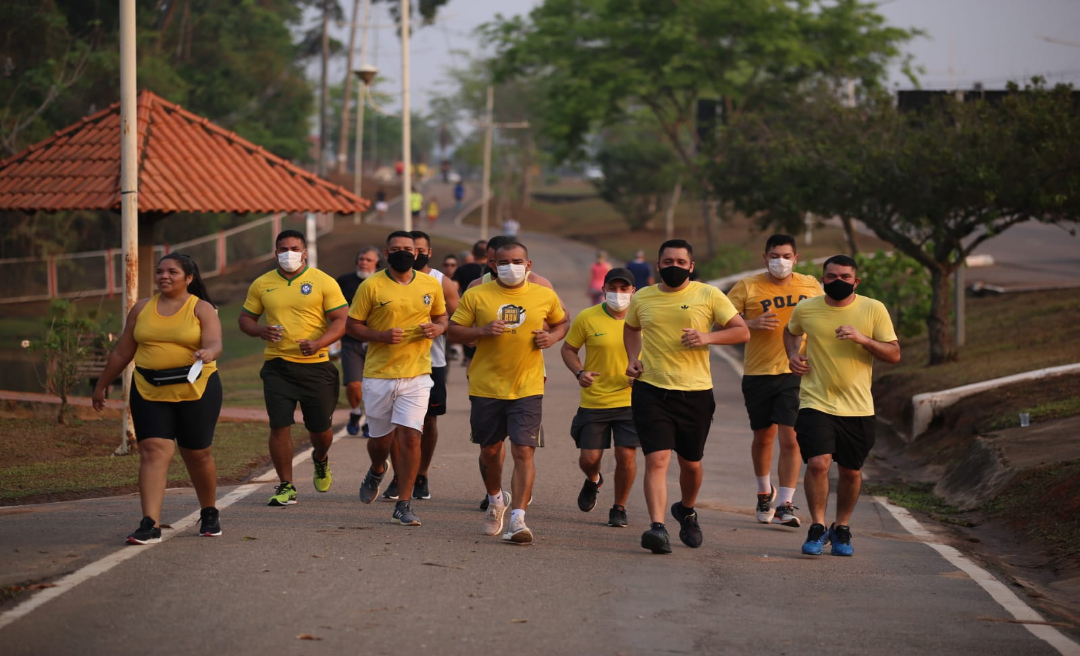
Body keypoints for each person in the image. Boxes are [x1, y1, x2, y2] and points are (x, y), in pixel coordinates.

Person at [624, 239, 750, 554]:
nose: (674, 267)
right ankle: (658, 528)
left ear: (691, 266)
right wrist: (632, 356)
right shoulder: (643, 297)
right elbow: (630, 328)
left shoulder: (708, 295)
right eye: (668, 261)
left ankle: (686, 510)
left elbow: (741, 331)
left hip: (695, 393)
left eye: (681, 262)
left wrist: (707, 336)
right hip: (651, 389)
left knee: (690, 464)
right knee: (657, 459)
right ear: (658, 265)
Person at [92, 253, 223, 544]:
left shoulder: (201, 308)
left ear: (189, 278)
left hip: (196, 389)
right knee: (152, 450)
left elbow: (215, 342)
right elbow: (122, 352)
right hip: (149, 388)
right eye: (161, 271)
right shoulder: (141, 309)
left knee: (197, 453)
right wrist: (102, 384)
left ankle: (210, 511)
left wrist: (208, 352)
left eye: (172, 272)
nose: (164, 276)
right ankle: (150, 522)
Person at [448, 240, 569, 544]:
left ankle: (518, 519)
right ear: (493, 265)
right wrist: (481, 331)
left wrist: (551, 337)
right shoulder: (476, 294)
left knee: (523, 450)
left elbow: (562, 321)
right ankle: (495, 500)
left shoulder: (544, 294)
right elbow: (453, 331)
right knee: (489, 451)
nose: (511, 267)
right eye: (504, 262)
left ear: (528, 265)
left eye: (518, 261)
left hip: (527, 385)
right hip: (486, 385)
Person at [784, 255, 900, 557]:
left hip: (858, 406)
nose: (838, 282)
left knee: (850, 472)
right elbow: (791, 330)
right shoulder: (807, 308)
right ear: (823, 279)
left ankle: (842, 527)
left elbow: (894, 354)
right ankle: (818, 526)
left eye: (845, 277)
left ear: (856, 281)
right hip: (816, 401)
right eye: (832, 276)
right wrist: (792, 355)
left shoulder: (873, 309)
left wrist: (863, 339)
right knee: (819, 463)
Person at [239, 230, 348, 507]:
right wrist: (260, 330)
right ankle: (286, 485)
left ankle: (321, 459)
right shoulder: (262, 283)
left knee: (321, 430)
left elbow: (341, 320)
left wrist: (319, 343)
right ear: (275, 253)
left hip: (317, 368)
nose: (289, 253)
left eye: (295, 248)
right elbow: (245, 319)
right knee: (279, 426)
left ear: (305, 252)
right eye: (283, 248)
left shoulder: (324, 281)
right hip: (277, 366)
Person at [348, 231, 447, 527]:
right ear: (386, 253)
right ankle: (377, 468)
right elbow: (353, 325)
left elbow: (443, 318)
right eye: (396, 249)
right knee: (379, 440)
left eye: (408, 249)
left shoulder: (431, 284)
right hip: (379, 374)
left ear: (416, 253)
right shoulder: (371, 285)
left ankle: (404, 503)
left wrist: (437, 329)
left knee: (411, 436)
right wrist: (379, 336)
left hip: (417, 374)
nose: (403, 253)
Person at [726, 234, 823, 528]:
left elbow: (825, 315)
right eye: (774, 255)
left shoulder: (810, 285)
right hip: (758, 372)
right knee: (763, 437)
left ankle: (786, 503)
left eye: (785, 256)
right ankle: (763, 491)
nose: (780, 261)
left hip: (795, 370)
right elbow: (720, 320)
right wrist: (751, 323)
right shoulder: (747, 286)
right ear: (764, 257)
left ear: (796, 258)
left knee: (790, 436)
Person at [379, 230, 460, 501]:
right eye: (403, 248)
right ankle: (400, 476)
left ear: (425, 252)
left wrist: (438, 327)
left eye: (420, 250)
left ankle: (421, 474)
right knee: (395, 424)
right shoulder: (382, 281)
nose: (414, 254)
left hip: (431, 361)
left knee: (427, 420)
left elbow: (458, 322)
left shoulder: (441, 282)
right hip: (391, 362)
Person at [560, 267, 640, 528]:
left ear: (633, 291)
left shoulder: (644, 319)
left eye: (624, 289)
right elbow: (569, 349)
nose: (618, 293)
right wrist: (579, 372)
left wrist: (644, 374)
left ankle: (619, 507)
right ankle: (593, 479)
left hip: (632, 399)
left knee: (625, 456)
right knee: (589, 459)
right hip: (595, 399)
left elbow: (661, 353)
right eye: (613, 288)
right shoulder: (588, 317)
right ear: (603, 289)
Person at [336, 246, 382, 437]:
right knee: (355, 385)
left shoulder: (384, 282)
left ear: (377, 263)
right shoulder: (344, 281)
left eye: (368, 260)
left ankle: (370, 420)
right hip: (351, 341)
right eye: (361, 259)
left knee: (375, 388)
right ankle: (355, 412)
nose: (364, 262)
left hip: (378, 342)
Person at [451, 240, 488, 368]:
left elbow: (453, 289)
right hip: (490, 314)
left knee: (470, 357)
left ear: (472, 253)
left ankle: (472, 383)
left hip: (469, 315)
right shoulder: (494, 269)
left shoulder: (462, 269)